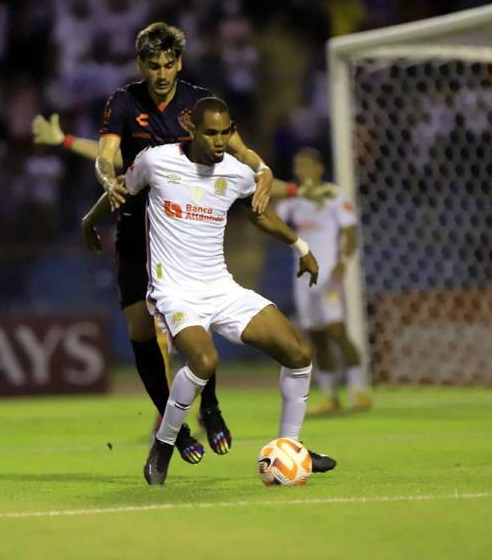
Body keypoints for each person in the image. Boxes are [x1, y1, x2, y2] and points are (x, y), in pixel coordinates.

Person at [33, 22, 316, 463]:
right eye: (153, 65)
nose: (162, 73)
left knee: (199, 313)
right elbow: (109, 159)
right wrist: (105, 187)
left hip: (184, 223)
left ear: (179, 63)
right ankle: (175, 427)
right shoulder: (124, 103)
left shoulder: (197, 104)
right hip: (134, 223)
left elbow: (243, 152)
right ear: (140, 65)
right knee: (142, 332)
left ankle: (212, 408)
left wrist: (263, 172)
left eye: (168, 64)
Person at [123, 97, 336, 485]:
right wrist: (91, 222)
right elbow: (121, 191)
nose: (219, 141)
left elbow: (260, 215)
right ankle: (164, 444)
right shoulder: (156, 161)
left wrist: (300, 247)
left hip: (221, 288)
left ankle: (290, 446)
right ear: (191, 127)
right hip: (175, 292)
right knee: (205, 361)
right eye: (211, 132)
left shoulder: (237, 173)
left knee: (300, 352)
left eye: (225, 132)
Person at [274, 148, 372, 413]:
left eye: (305, 165)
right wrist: (289, 190)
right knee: (316, 337)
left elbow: (350, 231)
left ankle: (359, 391)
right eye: (297, 165)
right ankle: (330, 396)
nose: (301, 170)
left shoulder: (334, 195)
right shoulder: (294, 200)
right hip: (303, 276)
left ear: (318, 168)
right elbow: (270, 211)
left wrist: (342, 262)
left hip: (328, 273)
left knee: (337, 330)